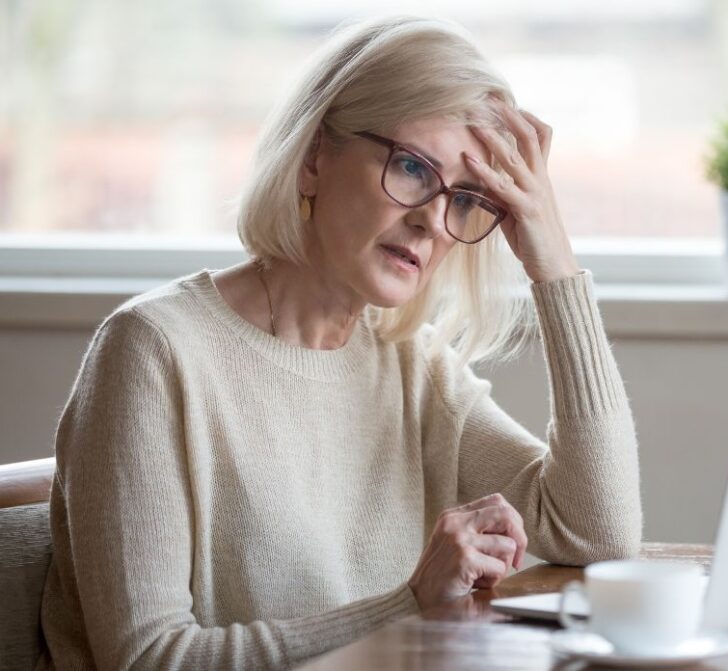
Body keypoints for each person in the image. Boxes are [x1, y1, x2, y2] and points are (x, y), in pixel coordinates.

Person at [36, 15, 642, 671]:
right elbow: (147, 659)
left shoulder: (413, 364)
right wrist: (406, 604)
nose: (432, 220)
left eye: (465, 199)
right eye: (411, 167)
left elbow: (597, 530)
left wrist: (552, 262)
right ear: (314, 158)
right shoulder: (153, 351)